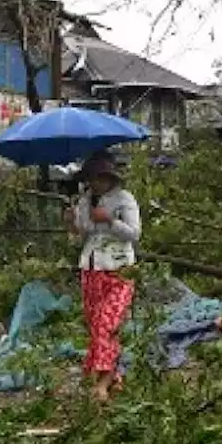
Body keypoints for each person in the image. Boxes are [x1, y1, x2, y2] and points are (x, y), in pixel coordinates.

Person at [65, 152, 141, 402]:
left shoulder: (124, 199)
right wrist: (72, 223)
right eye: (90, 179)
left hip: (119, 269)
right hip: (91, 269)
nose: (93, 184)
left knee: (107, 325)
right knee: (95, 325)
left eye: (97, 178)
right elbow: (85, 233)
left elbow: (134, 234)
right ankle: (114, 377)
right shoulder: (86, 200)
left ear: (108, 177)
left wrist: (109, 220)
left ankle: (102, 383)